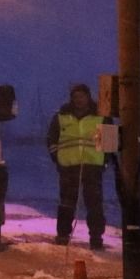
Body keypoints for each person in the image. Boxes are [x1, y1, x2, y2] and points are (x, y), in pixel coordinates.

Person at [46, 82, 107, 249]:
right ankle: (63, 235)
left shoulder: (101, 116)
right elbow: (52, 140)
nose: (79, 100)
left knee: (94, 204)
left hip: (92, 166)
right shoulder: (61, 117)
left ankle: (96, 237)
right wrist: (57, 159)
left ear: (88, 97)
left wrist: (104, 163)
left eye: (82, 96)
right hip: (68, 167)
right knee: (66, 203)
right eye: (76, 97)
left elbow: (109, 144)